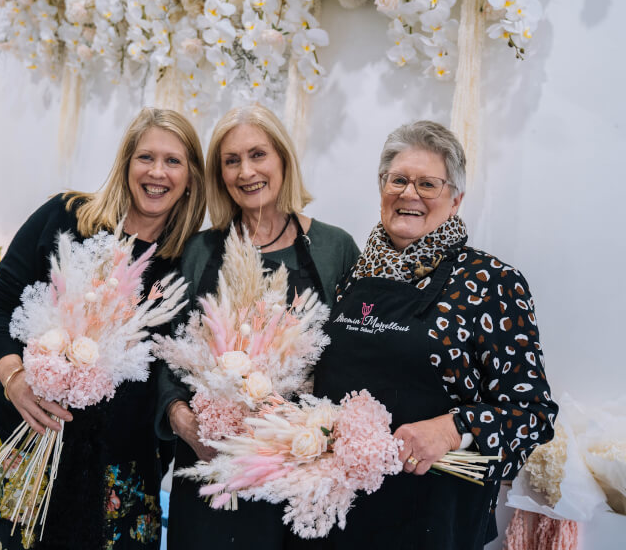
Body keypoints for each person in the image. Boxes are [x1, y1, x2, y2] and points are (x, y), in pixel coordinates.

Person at [0, 107, 206, 550]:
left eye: (173, 161)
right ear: (125, 163)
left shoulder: (188, 262)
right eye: (145, 157)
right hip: (28, 449)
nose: (157, 172)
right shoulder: (65, 216)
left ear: (191, 178)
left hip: (122, 476)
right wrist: (15, 379)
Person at [313, 121, 557, 549]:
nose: (410, 194)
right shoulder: (354, 276)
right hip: (332, 511)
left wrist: (451, 429)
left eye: (428, 184)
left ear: (456, 199)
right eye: (399, 180)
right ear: (382, 187)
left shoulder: (491, 282)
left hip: (431, 520)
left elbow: (532, 413)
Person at [156, 104, 360, 549]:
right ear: (219, 174)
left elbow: (353, 355)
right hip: (213, 467)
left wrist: (315, 431)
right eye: (232, 161)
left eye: (258, 154)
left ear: (283, 159)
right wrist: (185, 422)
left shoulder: (333, 248)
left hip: (300, 471)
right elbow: (167, 354)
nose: (246, 171)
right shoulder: (200, 249)